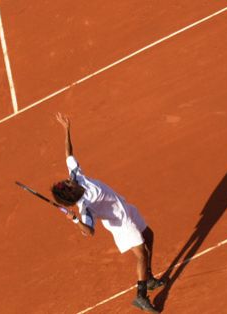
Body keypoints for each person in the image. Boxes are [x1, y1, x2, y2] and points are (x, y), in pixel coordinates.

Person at [51, 113, 165, 313]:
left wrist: (66, 129)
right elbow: (89, 232)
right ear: (71, 193)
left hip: (126, 208)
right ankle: (141, 297)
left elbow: (68, 154)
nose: (69, 179)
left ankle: (148, 279)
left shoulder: (76, 175)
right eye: (68, 184)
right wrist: (75, 219)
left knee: (149, 236)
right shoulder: (85, 206)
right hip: (120, 224)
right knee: (141, 254)